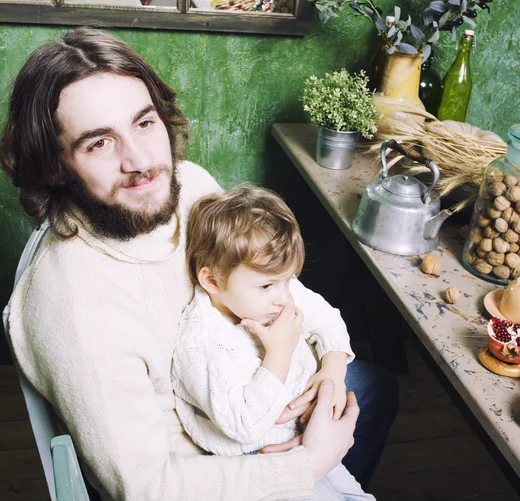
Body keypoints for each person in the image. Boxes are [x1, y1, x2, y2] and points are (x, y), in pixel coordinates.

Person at [0, 28, 398, 501]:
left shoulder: (189, 186)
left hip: (257, 388)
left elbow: (265, 283)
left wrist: (330, 372)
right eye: (99, 143)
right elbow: (148, 486)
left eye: (144, 123)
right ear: (56, 165)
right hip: (204, 468)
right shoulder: (73, 309)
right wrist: (308, 463)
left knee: (373, 390)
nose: (141, 161)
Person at [172, 185, 375, 500]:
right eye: (267, 285)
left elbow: (326, 316)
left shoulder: (270, 293)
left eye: (288, 280)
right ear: (212, 280)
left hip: (306, 432)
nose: (284, 298)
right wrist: (279, 352)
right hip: (260, 461)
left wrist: (333, 368)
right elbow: (243, 425)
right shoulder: (201, 345)